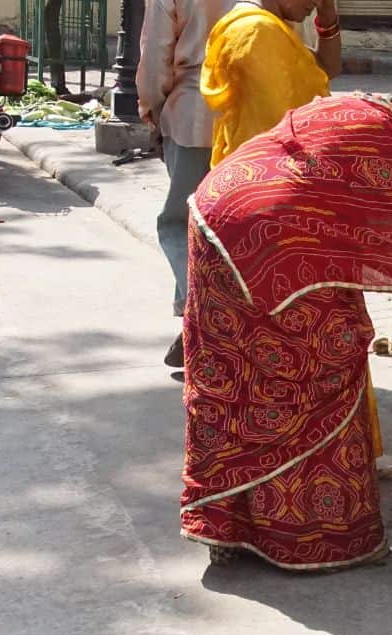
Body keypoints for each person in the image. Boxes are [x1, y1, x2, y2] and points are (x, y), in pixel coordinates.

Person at [179, 64, 392, 570]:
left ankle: (228, 524)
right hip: (268, 240)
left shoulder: (361, 105)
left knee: (234, 376)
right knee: (331, 359)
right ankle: (312, 537)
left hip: (214, 214)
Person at [138, 0, 237, 367]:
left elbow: (155, 56)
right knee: (229, 229)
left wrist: (152, 108)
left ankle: (203, 319)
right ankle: (199, 325)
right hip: (249, 111)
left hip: (193, 113)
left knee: (181, 224)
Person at [201, 0, 342, 167]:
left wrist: (328, 18)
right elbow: (275, 127)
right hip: (265, 169)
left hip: (266, 166)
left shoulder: (269, 25)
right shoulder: (256, 31)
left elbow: (327, 68)